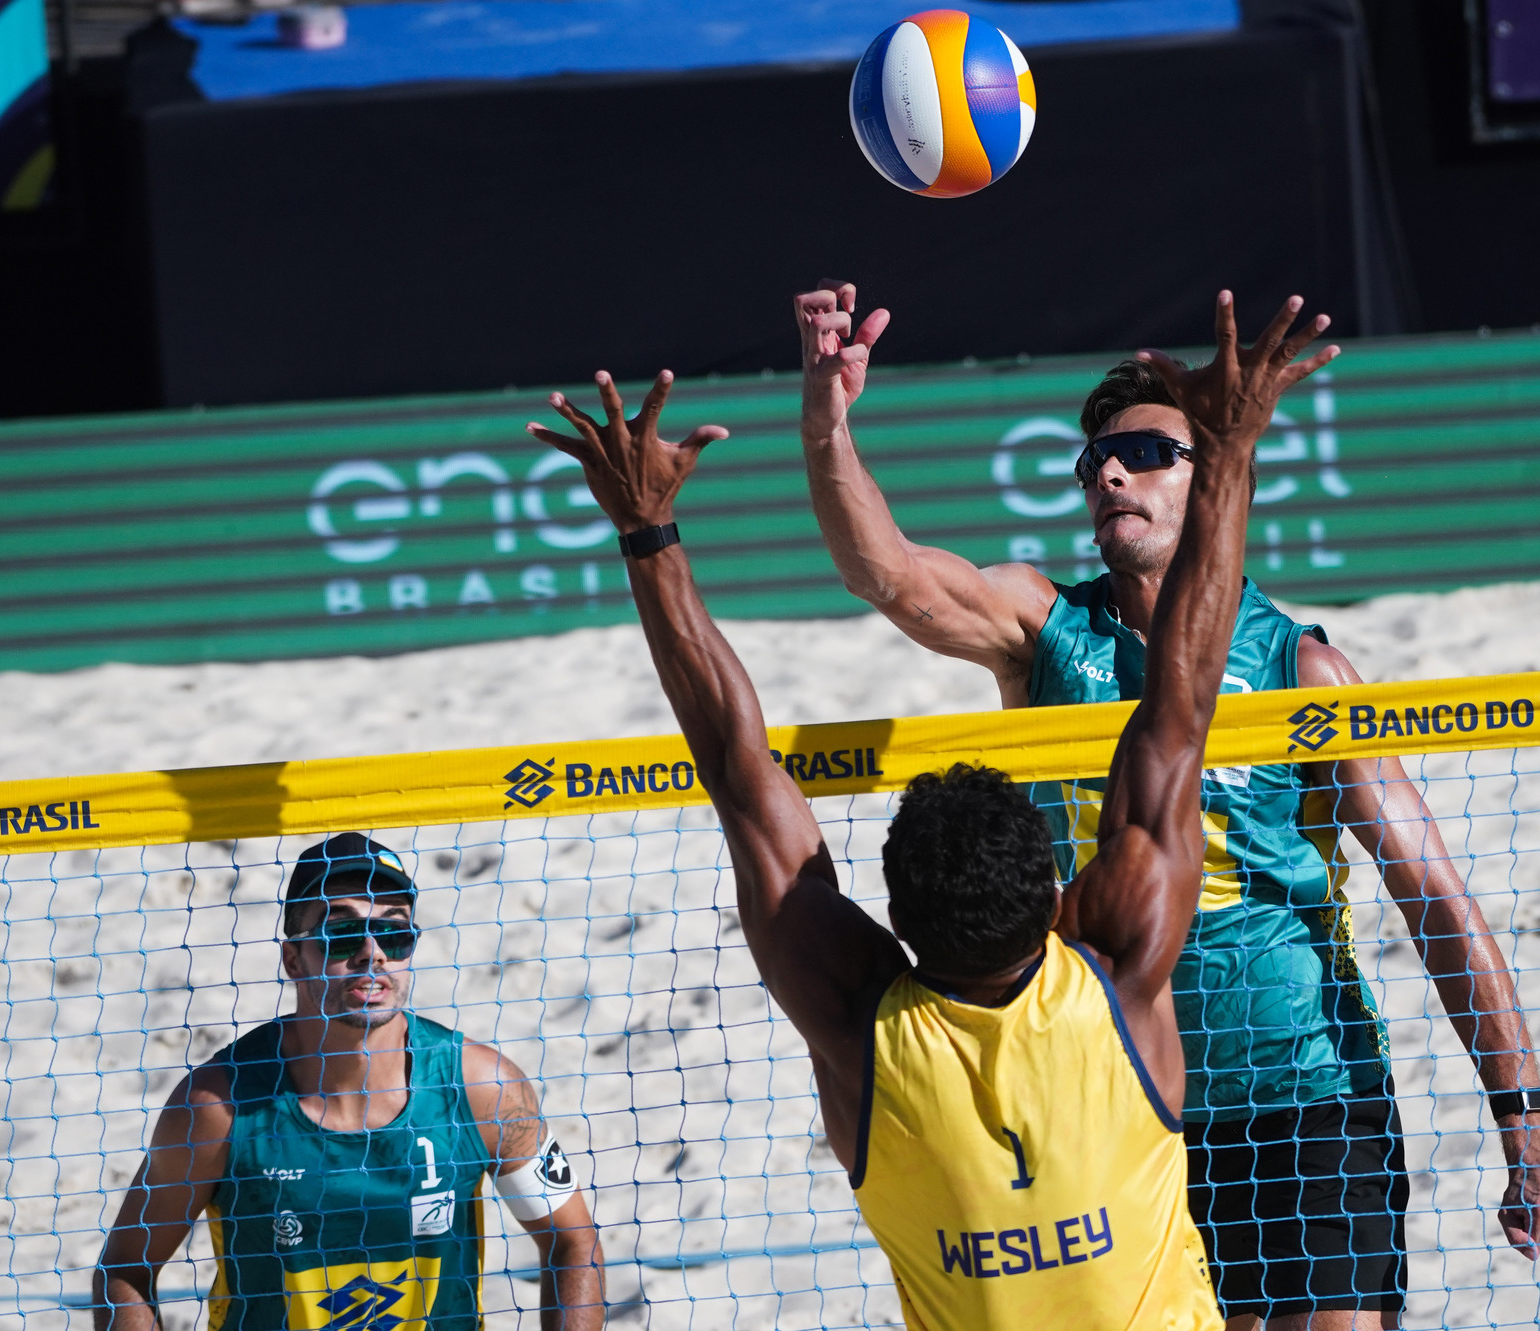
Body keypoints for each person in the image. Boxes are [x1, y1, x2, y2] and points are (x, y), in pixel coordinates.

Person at [790, 281, 1540, 1330]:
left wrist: (1525, 1120)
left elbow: (1433, 895)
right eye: (1094, 461)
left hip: (1307, 1087)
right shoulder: (1043, 629)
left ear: (1213, 468)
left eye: (1144, 453)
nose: (1109, 473)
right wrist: (828, 423)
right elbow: (890, 576)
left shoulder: (1302, 667)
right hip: (1119, 1098)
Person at [519, 294, 1318, 1329]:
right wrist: (1234, 453)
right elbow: (1179, 707)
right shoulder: (1118, 976)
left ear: (893, 918)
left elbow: (735, 764)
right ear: (1058, 897)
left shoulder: (862, 1031)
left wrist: (647, 533)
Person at [95, 832, 604, 1331]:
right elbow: (124, 1269)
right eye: (341, 932)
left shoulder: (482, 1087)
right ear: (294, 960)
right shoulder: (216, 1106)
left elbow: (573, 1241)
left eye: (394, 933)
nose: (372, 952)